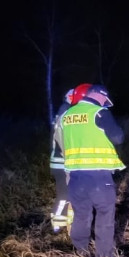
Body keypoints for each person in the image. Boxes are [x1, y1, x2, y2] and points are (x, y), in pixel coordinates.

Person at [61, 84, 125, 257]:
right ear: (98, 95)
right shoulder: (98, 112)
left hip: (75, 177)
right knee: (105, 215)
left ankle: (81, 254)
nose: (105, 102)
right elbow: (118, 137)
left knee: (81, 215)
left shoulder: (67, 116)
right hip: (98, 177)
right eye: (105, 99)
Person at [50, 83, 92, 232]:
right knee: (64, 194)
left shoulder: (66, 110)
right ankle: (57, 224)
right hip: (62, 162)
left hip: (65, 162)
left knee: (70, 194)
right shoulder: (66, 111)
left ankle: (67, 223)